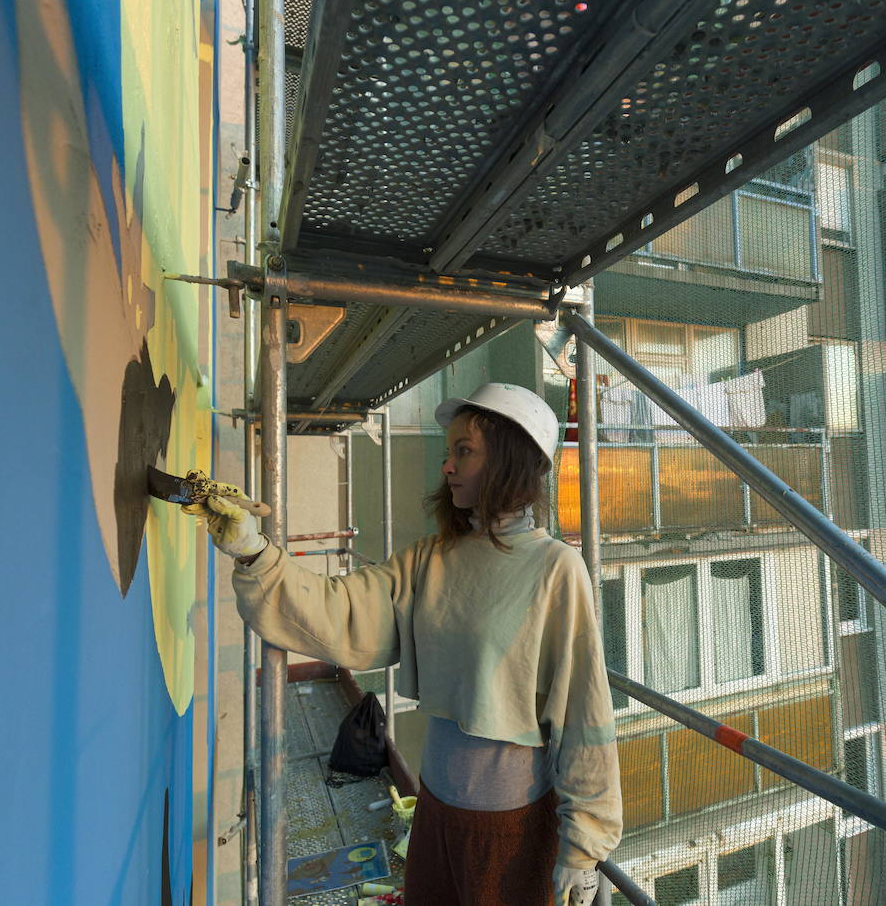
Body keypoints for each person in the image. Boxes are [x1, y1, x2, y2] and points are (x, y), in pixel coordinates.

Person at [186, 382, 622, 906]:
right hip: (435, 807)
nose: (447, 466)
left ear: (510, 460)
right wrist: (253, 551)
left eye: (464, 451)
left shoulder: (556, 567)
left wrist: (583, 845)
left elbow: (585, 716)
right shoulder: (432, 557)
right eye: (449, 451)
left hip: (509, 830)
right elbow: (340, 610)